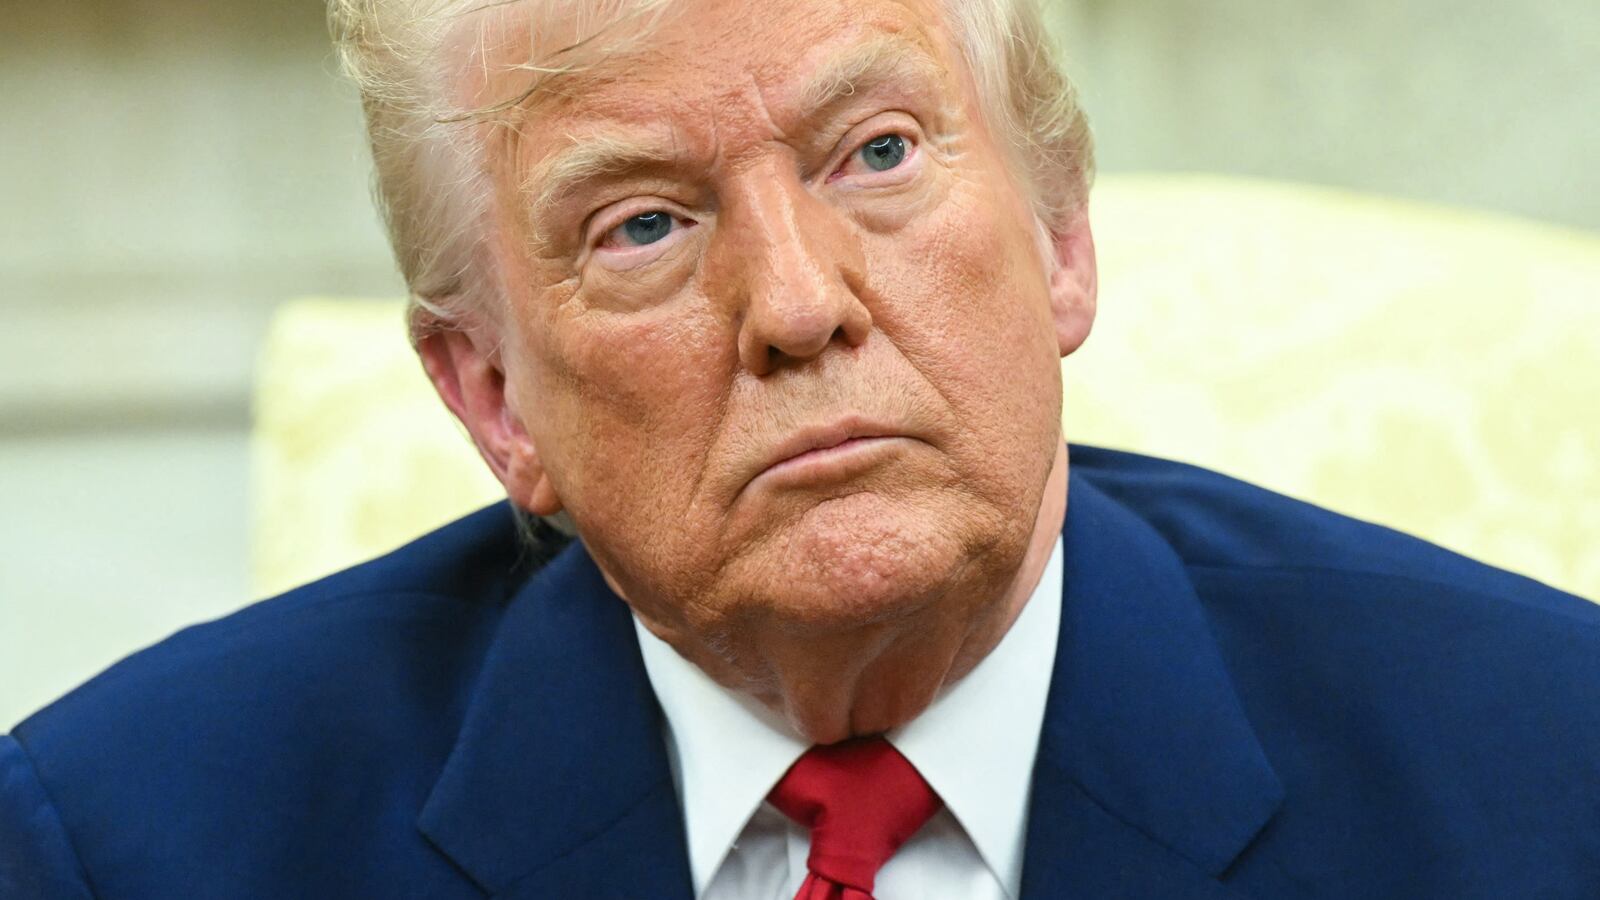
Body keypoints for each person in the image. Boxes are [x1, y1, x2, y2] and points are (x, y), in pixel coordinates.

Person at [3, 0, 1598, 896]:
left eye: (878, 152)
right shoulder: (123, 850)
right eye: (640, 225)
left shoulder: (1546, 779)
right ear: (492, 397)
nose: (795, 304)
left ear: (1060, 240)